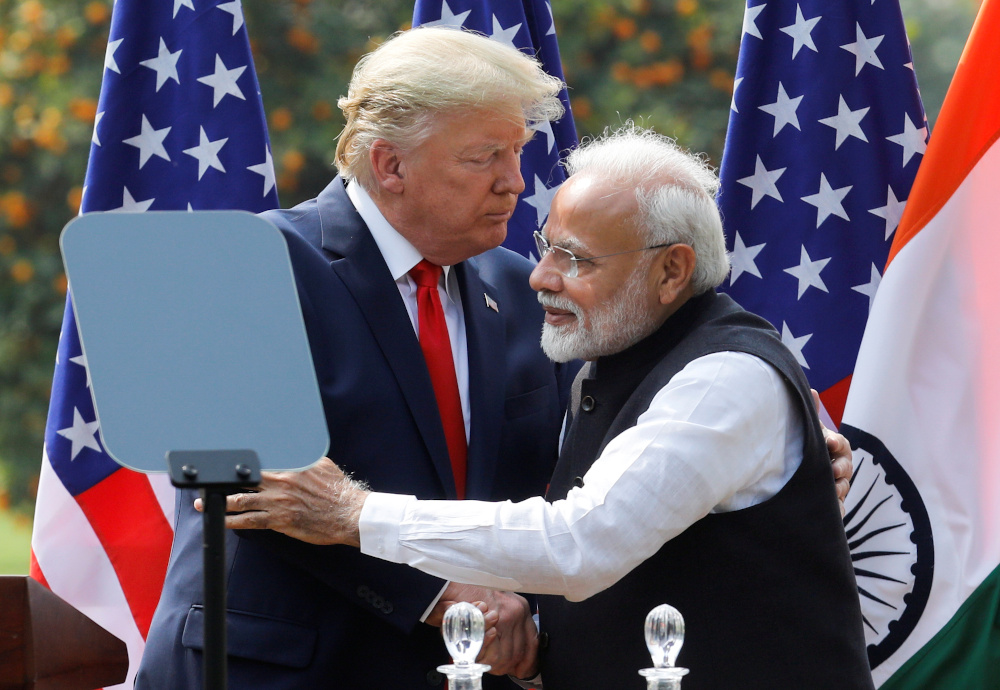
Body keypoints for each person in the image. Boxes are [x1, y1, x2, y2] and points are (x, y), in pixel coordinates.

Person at [221, 126, 874, 689]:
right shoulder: (604, 357)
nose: (539, 276)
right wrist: (534, 634)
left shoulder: (726, 380)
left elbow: (580, 543)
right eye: (546, 246)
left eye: (576, 258)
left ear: (673, 272)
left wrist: (354, 513)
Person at [136, 27, 575, 689]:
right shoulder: (246, 265)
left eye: (516, 152)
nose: (514, 182)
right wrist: (439, 595)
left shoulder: (522, 290)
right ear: (390, 165)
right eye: (485, 156)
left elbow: (554, 492)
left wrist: (525, 617)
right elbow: (250, 488)